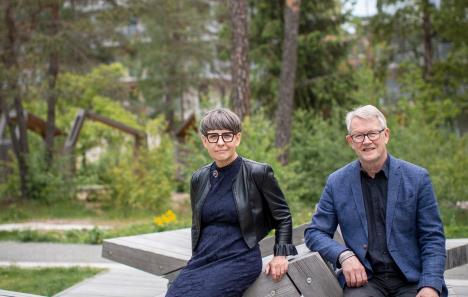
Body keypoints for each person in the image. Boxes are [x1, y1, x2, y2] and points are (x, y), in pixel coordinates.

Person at [304, 105, 447, 297]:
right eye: (359, 136)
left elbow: (433, 238)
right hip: (366, 281)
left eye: (372, 133)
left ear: (386, 135)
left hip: (412, 280)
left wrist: (430, 285)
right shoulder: (337, 182)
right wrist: (344, 256)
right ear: (350, 141)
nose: (366, 141)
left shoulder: (417, 178)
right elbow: (315, 232)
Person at [166, 108, 298, 297]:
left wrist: (280, 255)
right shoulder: (199, 178)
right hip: (203, 260)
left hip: (239, 259)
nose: (220, 143)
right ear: (205, 141)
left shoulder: (258, 173)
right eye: (213, 137)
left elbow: (283, 216)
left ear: (237, 138)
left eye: (226, 136)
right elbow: (198, 224)